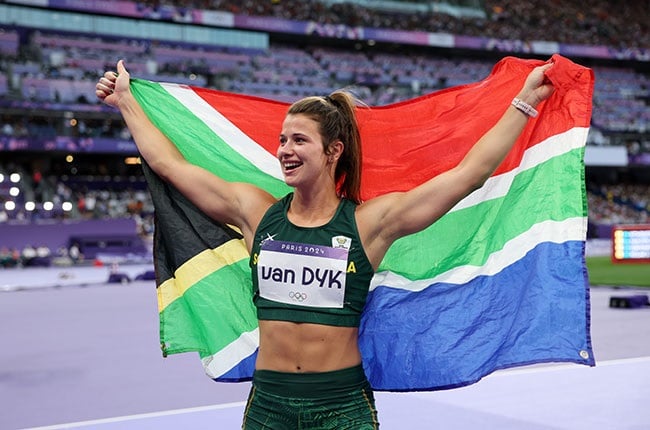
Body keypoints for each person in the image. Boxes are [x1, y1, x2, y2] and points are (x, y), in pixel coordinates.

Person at [96, 59, 554, 429]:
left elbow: (467, 175)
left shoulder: (370, 224)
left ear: (333, 151)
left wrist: (525, 103)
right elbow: (169, 165)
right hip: (268, 407)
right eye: (281, 140)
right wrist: (127, 102)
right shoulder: (256, 212)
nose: (284, 150)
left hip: (340, 409)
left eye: (299, 140)